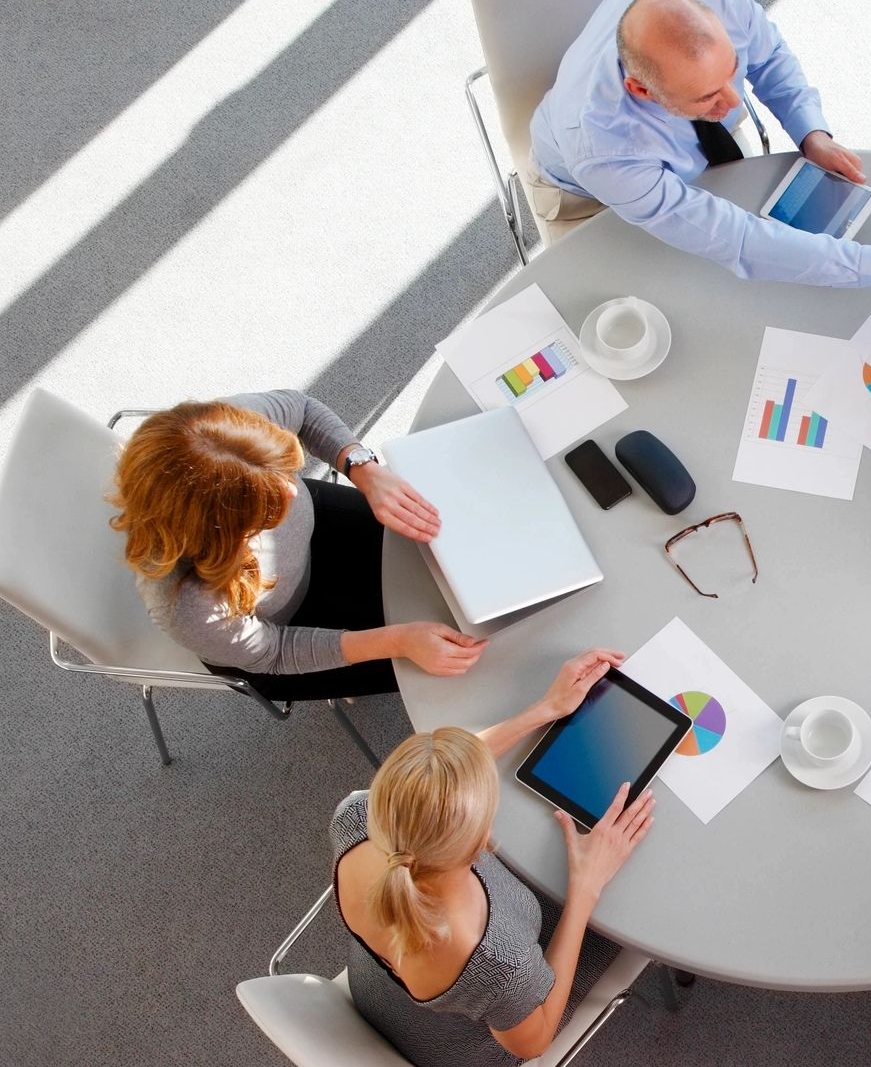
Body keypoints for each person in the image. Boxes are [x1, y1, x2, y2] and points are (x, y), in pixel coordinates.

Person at [528, 0, 871, 287]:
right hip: (585, 197)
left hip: (688, 156)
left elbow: (769, 58)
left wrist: (811, 133)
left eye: (731, 70)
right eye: (707, 95)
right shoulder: (603, 148)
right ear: (643, 90)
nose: (732, 103)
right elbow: (740, 242)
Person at [331, 648, 652, 1067]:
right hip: (455, 1048)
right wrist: (585, 887)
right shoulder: (496, 960)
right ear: (481, 843)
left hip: (373, 989)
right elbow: (533, 1042)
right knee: (631, 907)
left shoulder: (357, 816)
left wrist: (544, 709)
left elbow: (440, 783)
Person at [110, 391, 486, 699]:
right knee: (458, 665)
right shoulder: (189, 606)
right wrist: (399, 641)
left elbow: (303, 409)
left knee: (458, 550)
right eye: (266, 506)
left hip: (317, 533)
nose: (292, 490)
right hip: (286, 630)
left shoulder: (225, 437)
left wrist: (366, 471)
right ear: (221, 529)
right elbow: (275, 652)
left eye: (283, 472)